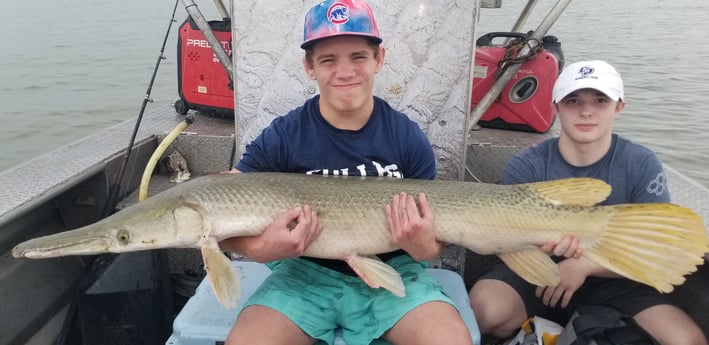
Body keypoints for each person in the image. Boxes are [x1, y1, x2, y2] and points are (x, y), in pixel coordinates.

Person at [219, 1, 473, 344]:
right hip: (304, 272)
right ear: (309, 67)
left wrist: (423, 245)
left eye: (358, 57)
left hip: (395, 270)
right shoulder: (282, 136)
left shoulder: (407, 137)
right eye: (328, 60)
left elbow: (433, 242)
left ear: (378, 59)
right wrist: (262, 248)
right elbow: (221, 204)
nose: (345, 71)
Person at [468, 60, 708, 345]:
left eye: (600, 100)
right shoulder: (527, 165)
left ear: (619, 107)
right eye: (572, 100)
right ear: (555, 107)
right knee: (482, 310)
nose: (586, 111)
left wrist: (584, 266)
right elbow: (504, 235)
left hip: (615, 278)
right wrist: (542, 252)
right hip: (535, 273)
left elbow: (658, 245)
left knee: (687, 340)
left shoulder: (640, 163)